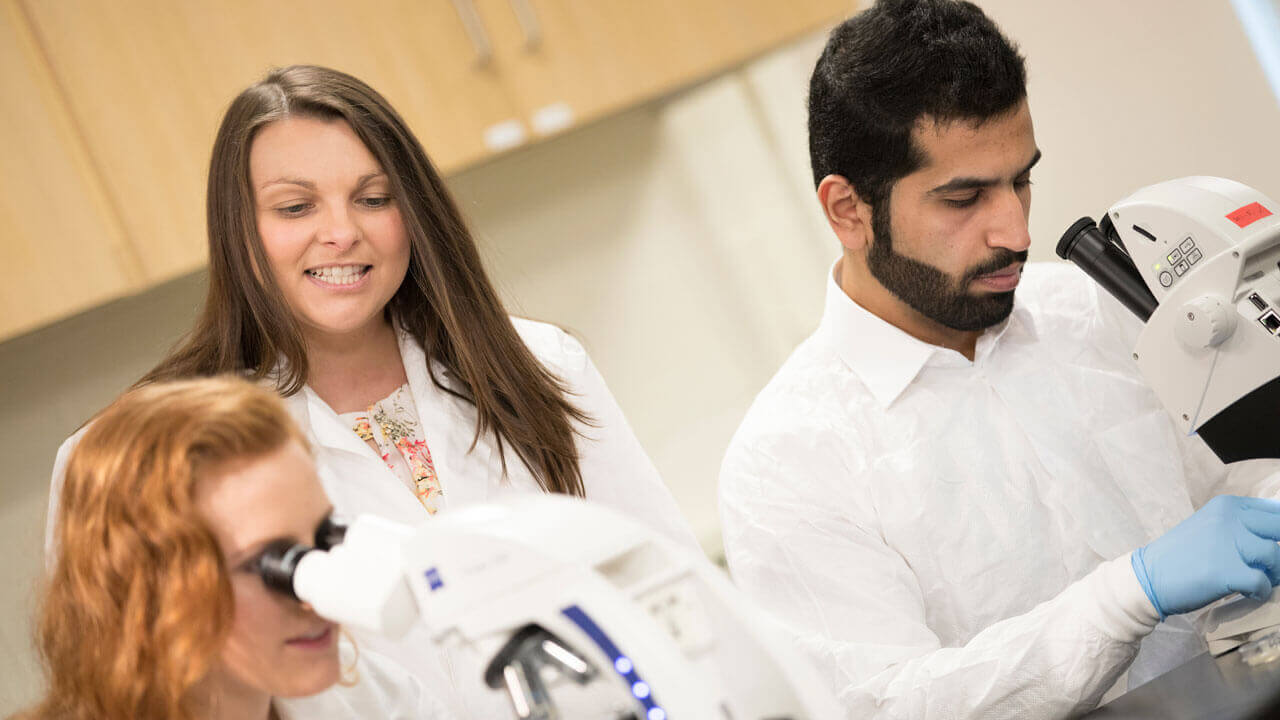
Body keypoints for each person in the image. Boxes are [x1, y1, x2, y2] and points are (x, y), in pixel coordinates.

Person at [47, 64, 698, 717]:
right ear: (238, 232)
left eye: (374, 197)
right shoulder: (146, 454)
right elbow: (118, 686)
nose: (341, 232)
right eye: (296, 207)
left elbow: (675, 593)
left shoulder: (535, 364)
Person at [718, 1, 1280, 718]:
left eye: (1021, 180)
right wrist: (1127, 595)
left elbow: (1230, 488)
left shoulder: (1095, 306)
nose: (1015, 230)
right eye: (963, 198)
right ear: (848, 211)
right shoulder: (787, 463)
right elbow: (889, 705)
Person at [19, 377, 449, 720]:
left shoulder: (370, 699)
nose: (321, 594)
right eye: (277, 565)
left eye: (324, 540)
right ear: (150, 590)